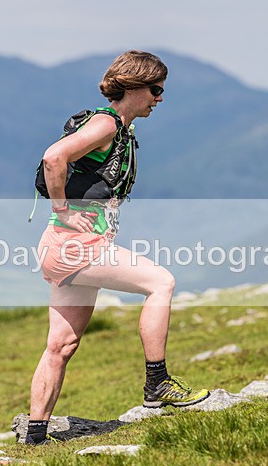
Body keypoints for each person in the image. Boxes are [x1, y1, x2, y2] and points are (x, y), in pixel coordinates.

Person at [26, 50, 209, 445]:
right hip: (77, 244)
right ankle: (157, 383)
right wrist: (61, 208)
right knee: (161, 282)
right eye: (155, 89)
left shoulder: (117, 129)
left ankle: (35, 436)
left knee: (61, 344)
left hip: (62, 245)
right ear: (133, 87)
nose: (159, 98)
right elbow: (53, 157)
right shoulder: (107, 124)